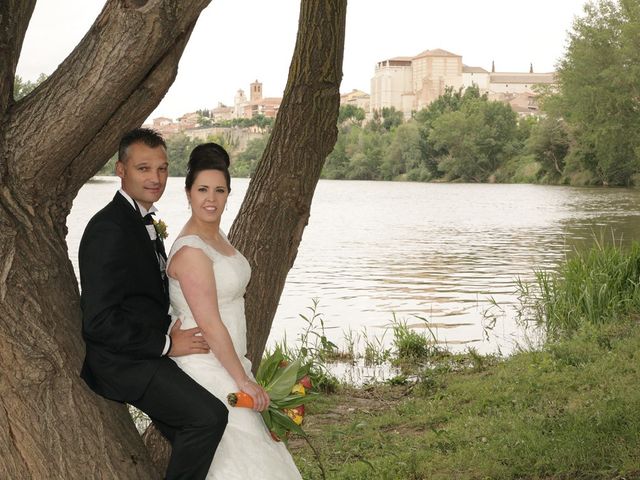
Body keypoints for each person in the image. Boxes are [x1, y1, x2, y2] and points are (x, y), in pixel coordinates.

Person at [79, 128, 229, 480]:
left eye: (162, 169)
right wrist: (166, 344)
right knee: (208, 417)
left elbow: (145, 294)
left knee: (203, 429)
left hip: (144, 349)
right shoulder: (109, 228)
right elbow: (98, 321)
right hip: (121, 360)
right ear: (121, 170)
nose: (155, 178)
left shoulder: (143, 220)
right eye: (143, 168)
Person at [166, 142, 302, 478]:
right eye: (202, 190)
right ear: (187, 193)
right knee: (241, 457)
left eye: (219, 190)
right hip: (206, 366)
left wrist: (242, 372)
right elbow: (210, 324)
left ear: (228, 194)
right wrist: (242, 381)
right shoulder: (191, 251)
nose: (210, 199)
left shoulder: (216, 237)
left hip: (230, 361)